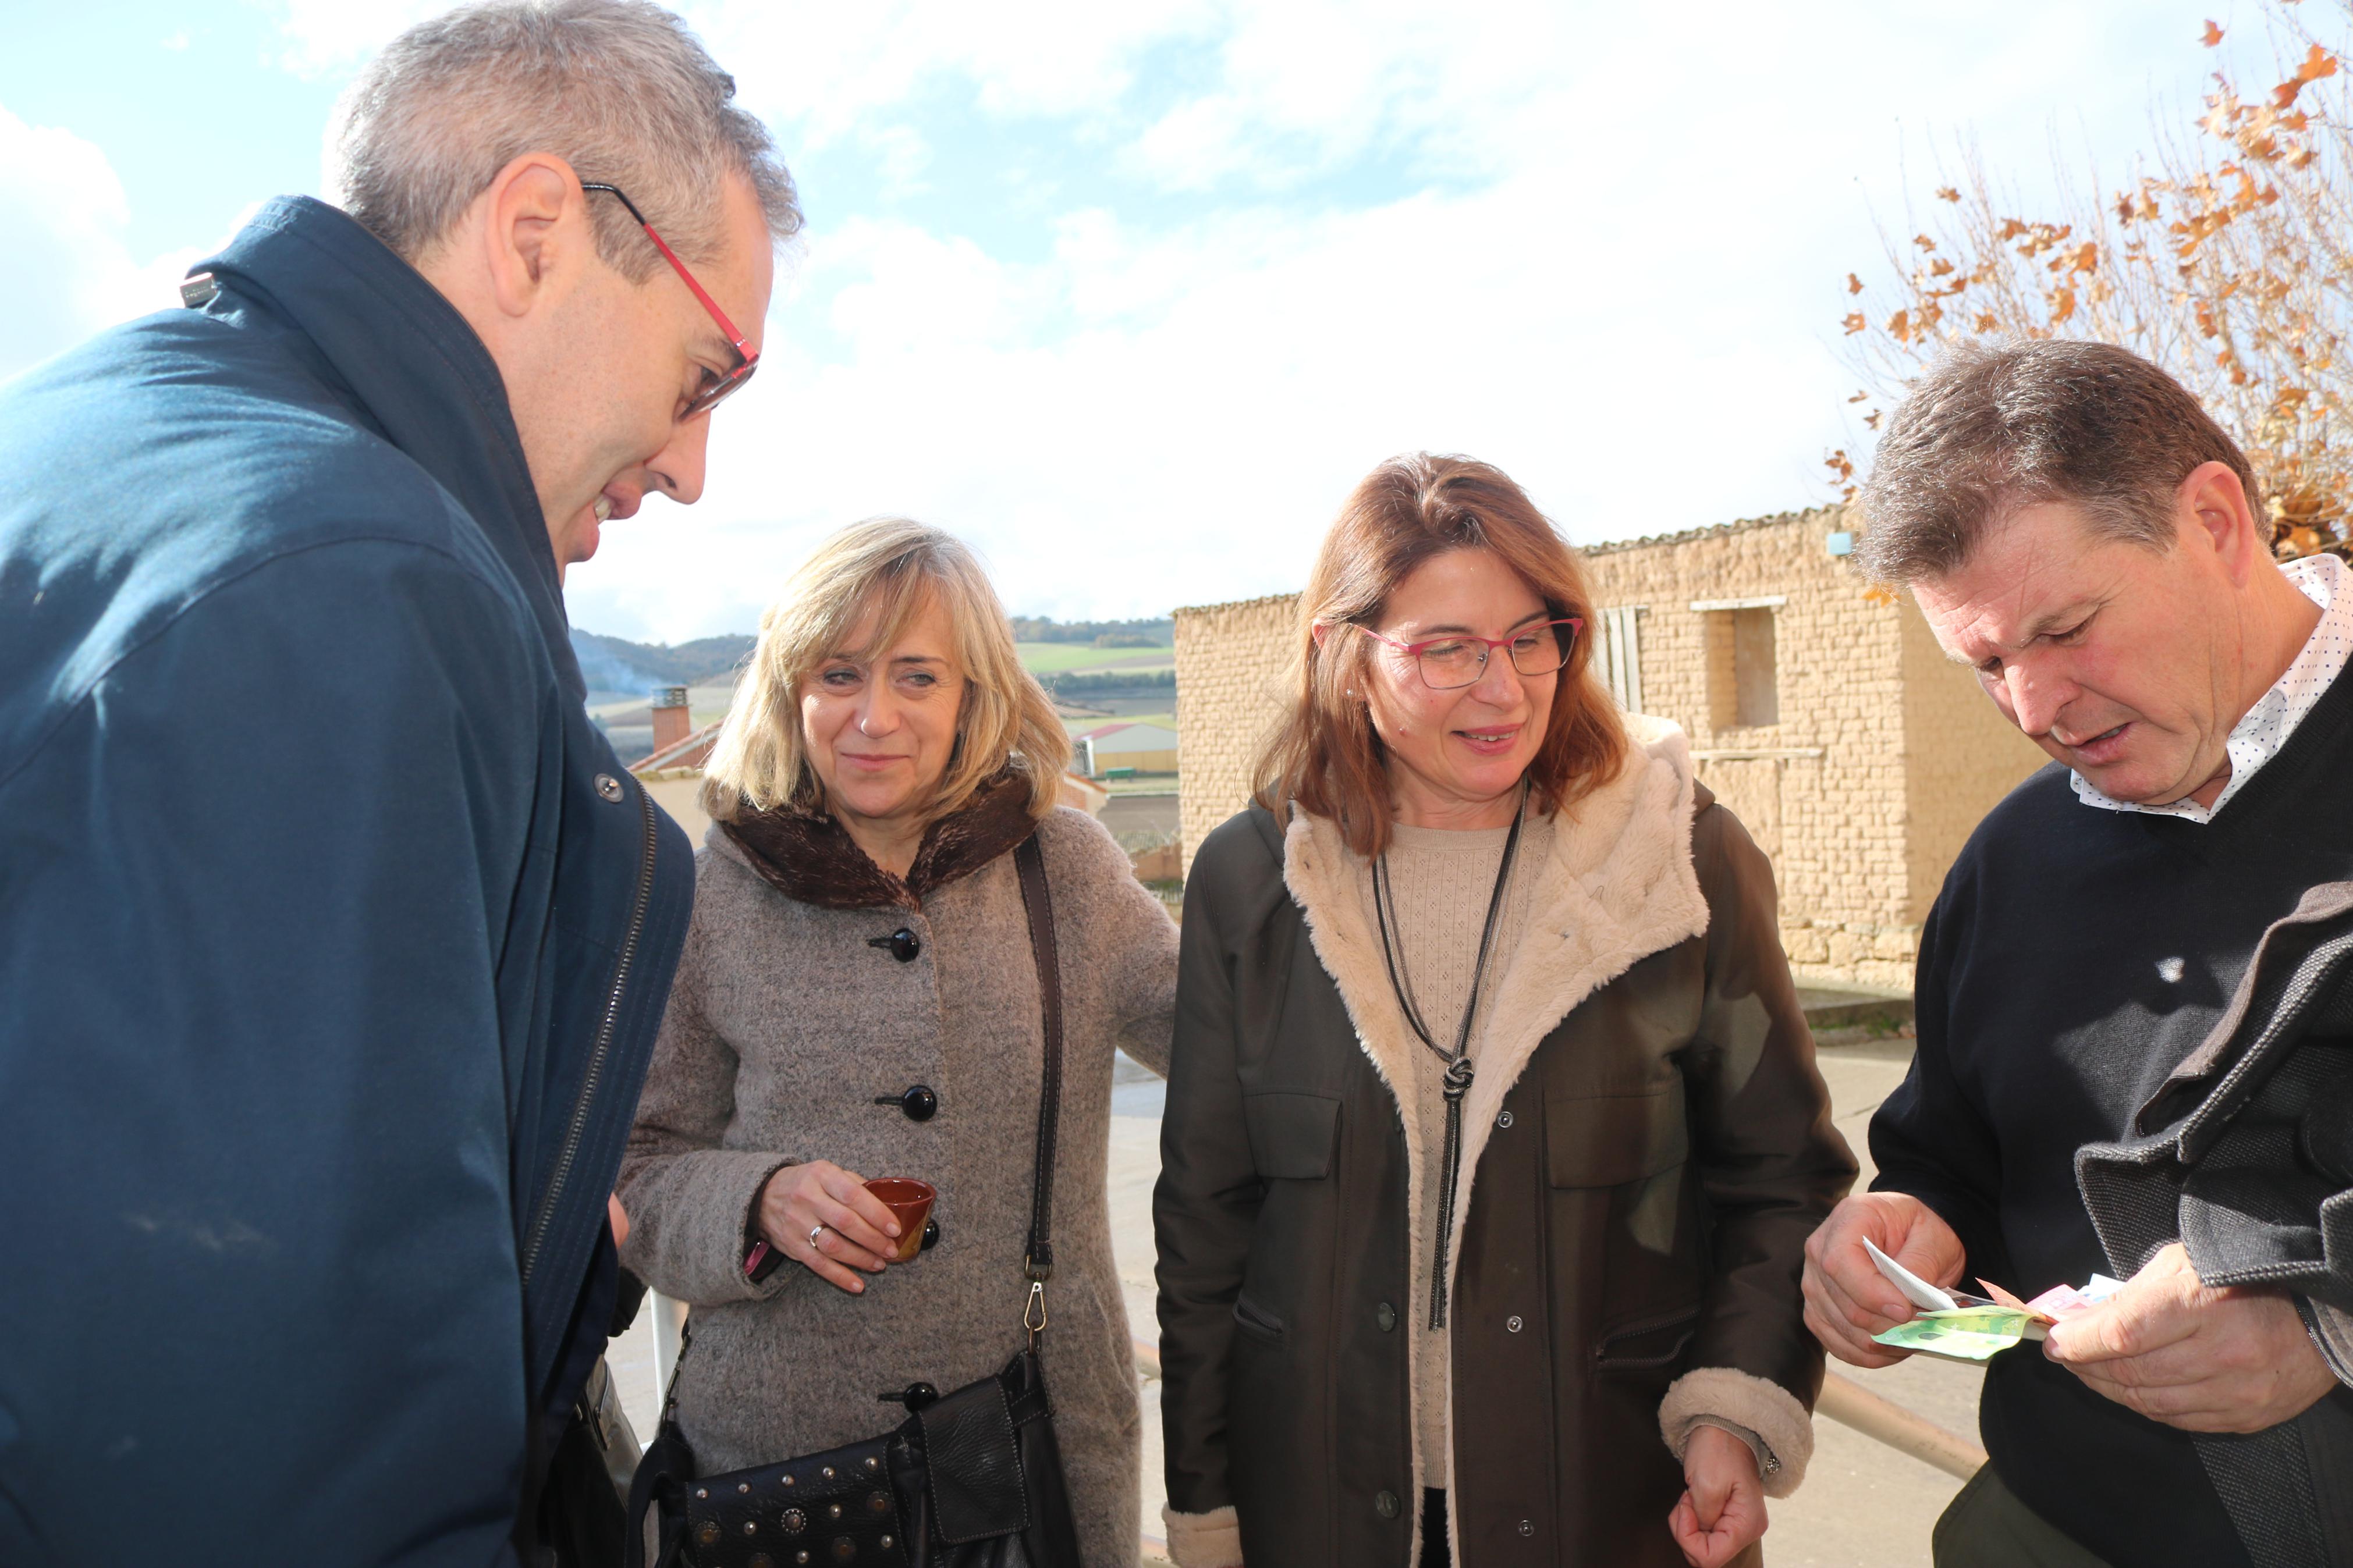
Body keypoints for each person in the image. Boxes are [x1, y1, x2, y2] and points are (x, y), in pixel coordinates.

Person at [0, 3, 798, 1559]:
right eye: (708, 376)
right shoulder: (344, 587)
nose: (693, 470)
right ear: (536, 232)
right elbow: (276, 1444)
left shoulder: (93, 434)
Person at [1155, 454, 1855, 1568]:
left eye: (1534, 638)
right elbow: (1205, 1229)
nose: (1506, 688)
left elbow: (1782, 1182)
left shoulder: (1676, 862)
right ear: (1344, 658)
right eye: (1448, 650)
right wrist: (1206, 1508)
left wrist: (1734, 1407)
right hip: (1317, 1513)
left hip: (1616, 1506)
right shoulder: (1253, 880)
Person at [1800, 339, 2353, 1568]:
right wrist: (1912, 1232)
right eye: (1988, 663)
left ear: (2215, 520)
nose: (2037, 710)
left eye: (2068, 628)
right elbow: (1956, 1154)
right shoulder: (2009, 862)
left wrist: (2330, 1330)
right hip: (2046, 1525)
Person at [617, 518, 1178, 1567]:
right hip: (779, 1476)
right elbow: (639, 1165)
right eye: (840, 673)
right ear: (792, 690)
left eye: (918, 677)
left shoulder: (1068, 870)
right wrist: (755, 1200)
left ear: (975, 694)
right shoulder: (717, 892)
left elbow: (1234, 1046)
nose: (874, 717)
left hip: (1026, 1453)